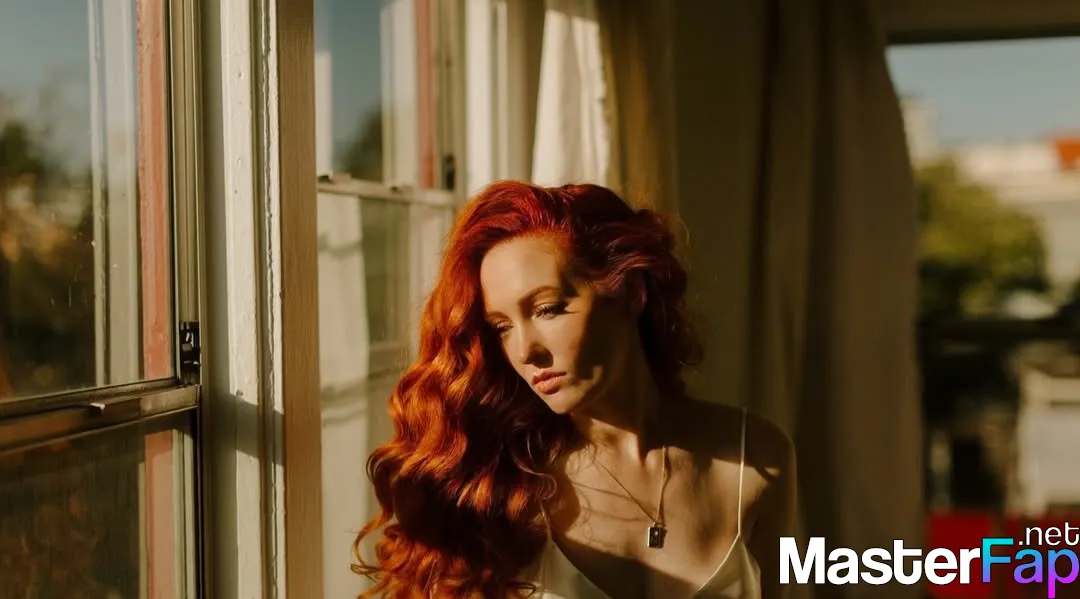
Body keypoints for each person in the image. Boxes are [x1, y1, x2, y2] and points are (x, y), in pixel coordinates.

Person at [353, 181, 797, 599]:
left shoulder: (756, 458)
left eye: (547, 309)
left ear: (631, 292)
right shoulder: (494, 486)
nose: (525, 351)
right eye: (502, 327)